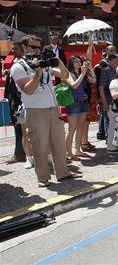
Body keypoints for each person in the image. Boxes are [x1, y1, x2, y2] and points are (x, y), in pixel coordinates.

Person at [10, 35, 82, 187]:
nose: (38, 50)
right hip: (35, 110)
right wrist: (37, 73)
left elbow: (64, 75)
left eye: (39, 47)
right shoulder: (18, 67)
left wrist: (58, 61)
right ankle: (43, 178)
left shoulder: (44, 63)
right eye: (33, 47)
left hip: (53, 108)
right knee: (40, 145)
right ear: (24, 47)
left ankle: (63, 173)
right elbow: (28, 89)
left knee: (59, 143)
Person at [64, 55, 96, 161]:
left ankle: (77, 150)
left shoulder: (83, 73)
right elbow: (74, 85)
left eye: (79, 61)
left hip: (84, 102)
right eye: (76, 61)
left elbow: (94, 80)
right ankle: (68, 152)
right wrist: (82, 74)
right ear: (71, 64)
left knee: (80, 128)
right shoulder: (69, 74)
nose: (78, 63)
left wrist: (90, 69)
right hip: (73, 103)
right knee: (71, 129)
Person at [99, 54, 118, 154]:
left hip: (117, 100)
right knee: (112, 123)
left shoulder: (117, 71)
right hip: (109, 100)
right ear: (110, 61)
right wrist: (104, 102)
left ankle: (114, 143)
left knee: (116, 123)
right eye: (116, 61)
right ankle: (110, 145)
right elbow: (101, 87)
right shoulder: (106, 71)